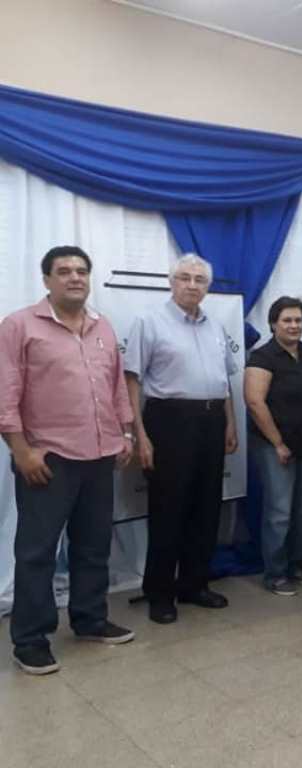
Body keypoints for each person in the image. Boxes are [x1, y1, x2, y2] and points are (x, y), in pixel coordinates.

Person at [0, 246, 135, 674]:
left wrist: (125, 431)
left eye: (81, 271)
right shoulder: (19, 326)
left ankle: (90, 618)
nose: (74, 277)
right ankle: (31, 639)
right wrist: (21, 450)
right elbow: (6, 392)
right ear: (46, 280)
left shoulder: (102, 327)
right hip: (48, 459)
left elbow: (116, 385)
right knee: (37, 552)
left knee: (94, 545)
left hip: (100, 455)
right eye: (64, 271)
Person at [124, 254, 238, 625]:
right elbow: (132, 381)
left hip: (211, 420)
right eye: (185, 278)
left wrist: (230, 424)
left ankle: (194, 584)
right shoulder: (149, 322)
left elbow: (224, 383)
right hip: (168, 421)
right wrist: (139, 433)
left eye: (200, 280)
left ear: (208, 287)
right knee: (168, 509)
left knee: (206, 508)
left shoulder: (215, 327)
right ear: (171, 282)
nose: (192, 285)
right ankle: (160, 592)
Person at [245, 297, 302, 596]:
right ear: (272, 324)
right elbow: (254, 402)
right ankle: (275, 574)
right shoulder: (263, 356)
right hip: (273, 444)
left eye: (298, 320)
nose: (294, 326)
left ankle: (296, 565)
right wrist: (278, 443)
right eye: (287, 320)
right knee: (279, 511)